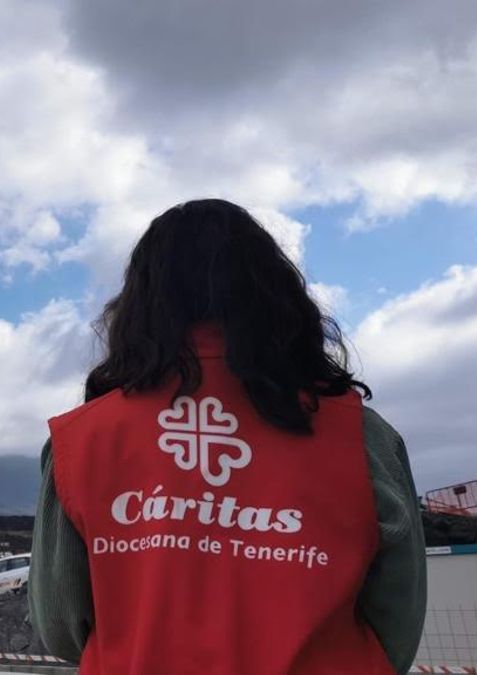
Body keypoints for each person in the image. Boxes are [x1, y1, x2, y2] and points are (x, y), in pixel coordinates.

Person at [29, 199, 425, 674]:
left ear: (139, 303)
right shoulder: (363, 436)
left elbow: (60, 626)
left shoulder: (82, 442)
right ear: (276, 294)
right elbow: (397, 628)